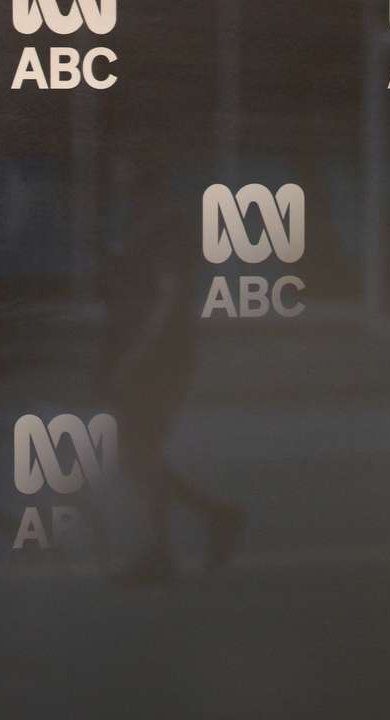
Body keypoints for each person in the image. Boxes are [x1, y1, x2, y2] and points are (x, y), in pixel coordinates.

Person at [98, 159, 244, 585]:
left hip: (159, 358)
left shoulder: (163, 225)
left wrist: (133, 357)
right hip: (149, 355)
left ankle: (194, 531)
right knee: (138, 455)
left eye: (121, 171)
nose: (114, 179)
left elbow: (165, 299)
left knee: (136, 454)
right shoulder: (142, 223)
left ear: (140, 180)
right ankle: (203, 525)